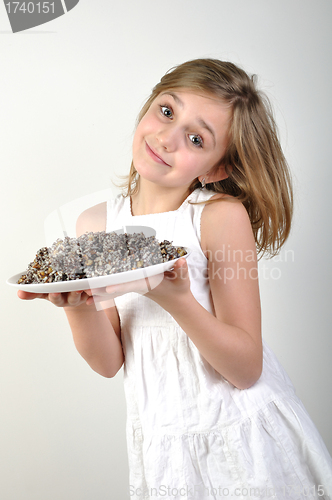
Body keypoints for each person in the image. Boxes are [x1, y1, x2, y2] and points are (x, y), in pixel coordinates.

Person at [18, 59, 332, 499]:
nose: (167, 139)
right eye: (167, 111)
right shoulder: (95, 224)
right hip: (165, 444)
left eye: (196, 138)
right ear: (149, 105)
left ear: (216, 168)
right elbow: (109, 363)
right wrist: (79, 305)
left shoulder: (218, 218)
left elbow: (246, 369)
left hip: (239, 437)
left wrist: (177, 299)